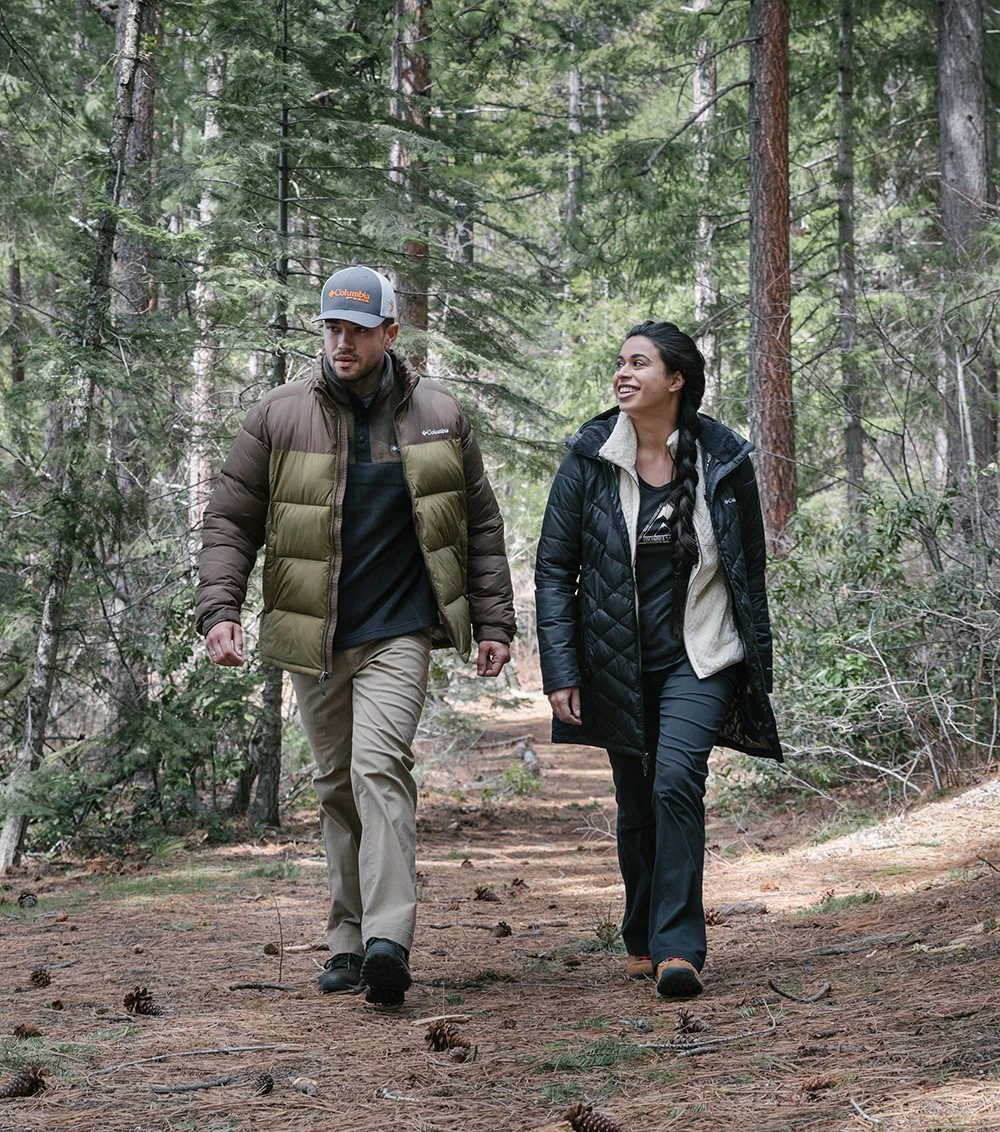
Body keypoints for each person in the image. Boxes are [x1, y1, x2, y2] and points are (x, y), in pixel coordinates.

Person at [195, 265, 516, 1006]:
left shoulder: (439, 414)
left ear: (390, 332)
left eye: (358, 329)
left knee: (379, 769)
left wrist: (493, 620)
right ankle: (345, 939)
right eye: (332, 328)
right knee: (336, 785)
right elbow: (231, 521)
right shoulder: (279, 415)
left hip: (399, 630)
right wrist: (220, 610)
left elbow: (480, 524)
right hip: (314, 634)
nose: (342, 342)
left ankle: (387, 940)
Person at [534, 320, 781, 999]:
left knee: (675, 782)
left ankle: (678, 948)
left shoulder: (724, 459)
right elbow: (554, 571)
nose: (623, 372)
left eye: (639, 363)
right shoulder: (589, 457)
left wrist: (758, 661)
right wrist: (562, 670)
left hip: (700, 657)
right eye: (620, 362)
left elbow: (748, 571)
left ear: (675, 380)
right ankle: (642, 934)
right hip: (615, 661)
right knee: (638, 802)